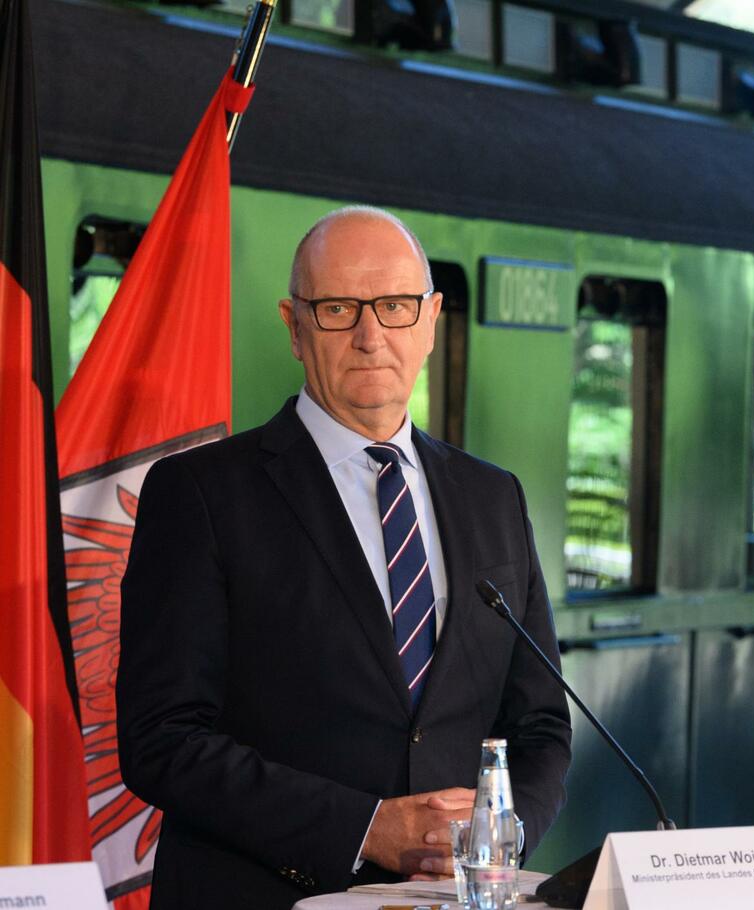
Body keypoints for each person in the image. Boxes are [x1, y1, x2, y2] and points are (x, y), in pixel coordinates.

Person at [118, 206, 572, 910]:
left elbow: (540, 727)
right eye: (337, 308)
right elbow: (161, 739)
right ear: (295, 326)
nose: (370, 336)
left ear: (431, 319)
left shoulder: (494, 497)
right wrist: (369, 829)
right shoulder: (200, 494)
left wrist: (499, 840)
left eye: (394, 306)